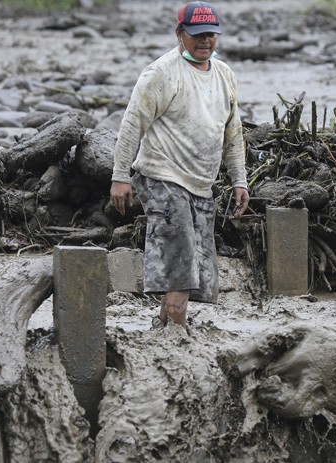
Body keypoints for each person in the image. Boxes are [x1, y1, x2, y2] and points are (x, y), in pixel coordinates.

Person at [109, 1, 249, 327]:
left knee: (193, 264)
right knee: (183, 261)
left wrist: (239, 179)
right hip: (162, 177)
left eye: (211, 35)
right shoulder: (161, 74)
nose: (205, 41)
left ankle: (163, 326)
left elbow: (233, 133)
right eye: (197, 35)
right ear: (180, 34)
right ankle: (179, 335)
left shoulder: (224, 74)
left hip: (201, 183)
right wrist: (120, 176)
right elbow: (132, 126)